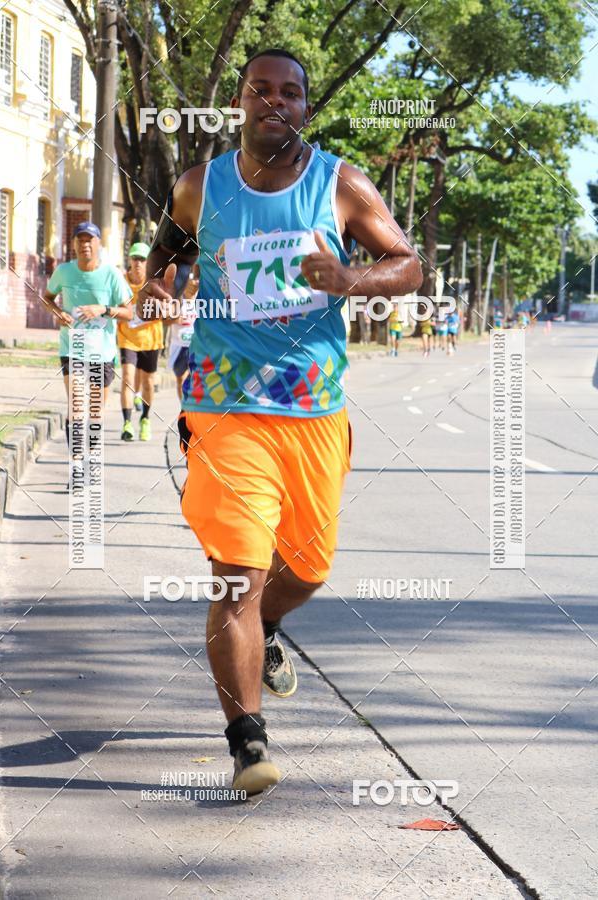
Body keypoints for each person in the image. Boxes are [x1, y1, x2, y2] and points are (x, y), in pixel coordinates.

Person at [138, 49, 422, 795]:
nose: (275, 103)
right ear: (240, 101)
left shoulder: (342, 184)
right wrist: (156, 287)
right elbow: (166, 251)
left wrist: (350, 278)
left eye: (289, 93)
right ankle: (247, 743)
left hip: (311, 410)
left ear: (304, 107)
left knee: (309, 569)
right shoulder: (201, 185)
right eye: (259, 90)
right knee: (238, 572)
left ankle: (267, 628)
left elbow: (409, 265)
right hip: (222, 405)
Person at [42, 222, 132, 463]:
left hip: (102, 353)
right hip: (73, 348)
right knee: (77, 406)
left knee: (94, 412)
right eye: (80, 240)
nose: (85, 244)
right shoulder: (64, 271)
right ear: (73, 244)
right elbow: (47, 298)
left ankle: (91, 458)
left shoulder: (111, 274)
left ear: (98, 244)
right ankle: (77, 462)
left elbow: (129, 313)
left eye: (89, 239)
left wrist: (102, 309)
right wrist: (58, 313)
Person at [117, 242, 164, 441]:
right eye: (135, 258)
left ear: (148, 262)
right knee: (127, 377)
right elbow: (115, 309)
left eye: (142, 259)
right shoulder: (121, 282)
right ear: (129, 260)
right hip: (127, 338)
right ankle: (127, 424)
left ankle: (145, 418)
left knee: (148, 382)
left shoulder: (155, 282)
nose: (138, 263)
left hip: (151, 339)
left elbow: (166, 308)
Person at [168, 270, 199, 400]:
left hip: (196, 346)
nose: (191, 286)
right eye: (188, 284)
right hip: (179, 346)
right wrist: (175, 319)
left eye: (193, 284)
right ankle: (184, 408)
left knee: (195, 379)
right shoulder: (177, 300)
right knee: (180, 379)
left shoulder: (201, 299)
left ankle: (194, 409)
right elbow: (164, 319)